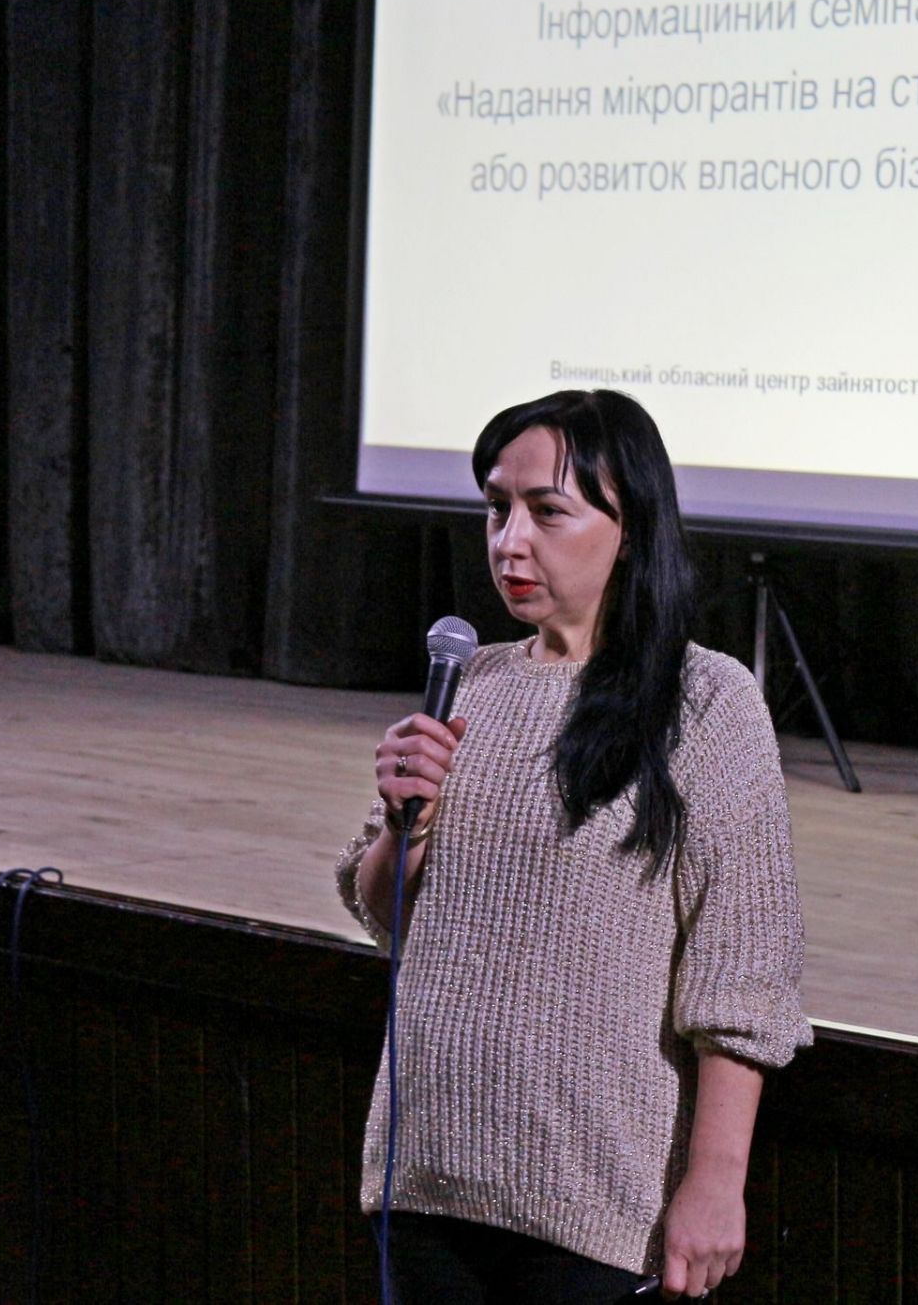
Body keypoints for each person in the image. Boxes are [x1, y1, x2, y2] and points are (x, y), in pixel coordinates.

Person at [335, 389, 812, 1304]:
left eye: (547, 511)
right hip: (426, 1178)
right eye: (496, 508)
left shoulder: (704, 700)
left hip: (591, 1204)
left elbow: (742, 971)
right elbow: (387, 914)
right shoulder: (470, 682)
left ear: (630, 528)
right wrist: (403, 822)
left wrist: (717, 1180)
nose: (509, 542)